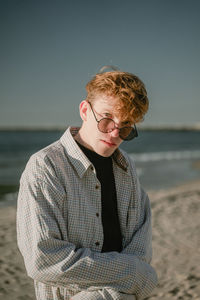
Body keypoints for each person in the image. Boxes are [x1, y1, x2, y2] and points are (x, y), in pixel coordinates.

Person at [17, 68, 157, 300]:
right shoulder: (45, 167)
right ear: (84, 110)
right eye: (106, 119)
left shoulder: (127, 168)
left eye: (125, 127)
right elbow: (42, 259)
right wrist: (124, 278)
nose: (114, 132)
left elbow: (140, 248)